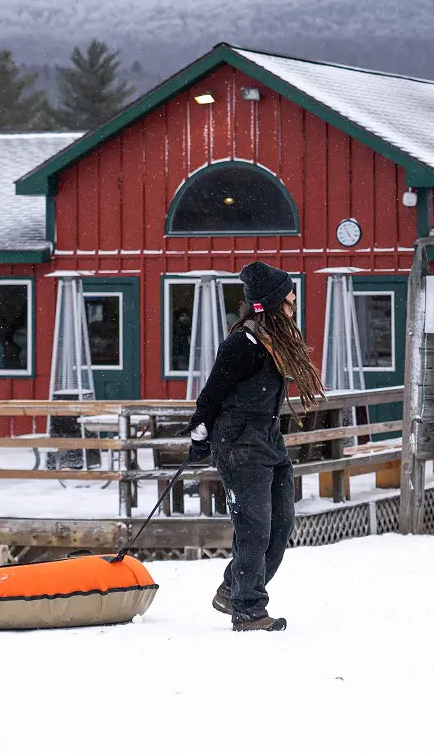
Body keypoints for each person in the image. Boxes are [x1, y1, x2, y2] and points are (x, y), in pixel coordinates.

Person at [185, 260, 323, 632]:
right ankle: (248, 609)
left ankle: (234, 587)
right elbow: (211, 394)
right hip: (239, 441)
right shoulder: (242, 344)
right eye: (290, 303)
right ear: (273, 305)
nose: (294, 309)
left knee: (281, 524)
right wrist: (199, 434)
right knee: (254, 526)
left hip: (269, 438)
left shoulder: (274, 342)